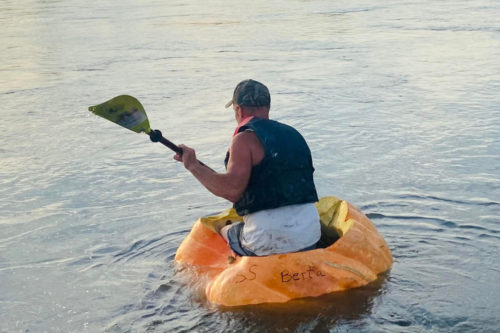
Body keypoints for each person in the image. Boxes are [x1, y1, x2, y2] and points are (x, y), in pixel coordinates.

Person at [174, 79, 320, 256]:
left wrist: (192, 166)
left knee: (225, 230)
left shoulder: (243, 140)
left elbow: (233, 190)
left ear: (239, 109)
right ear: (267, 107)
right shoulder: (294, 134)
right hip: (309, 235)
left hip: (266, 240)